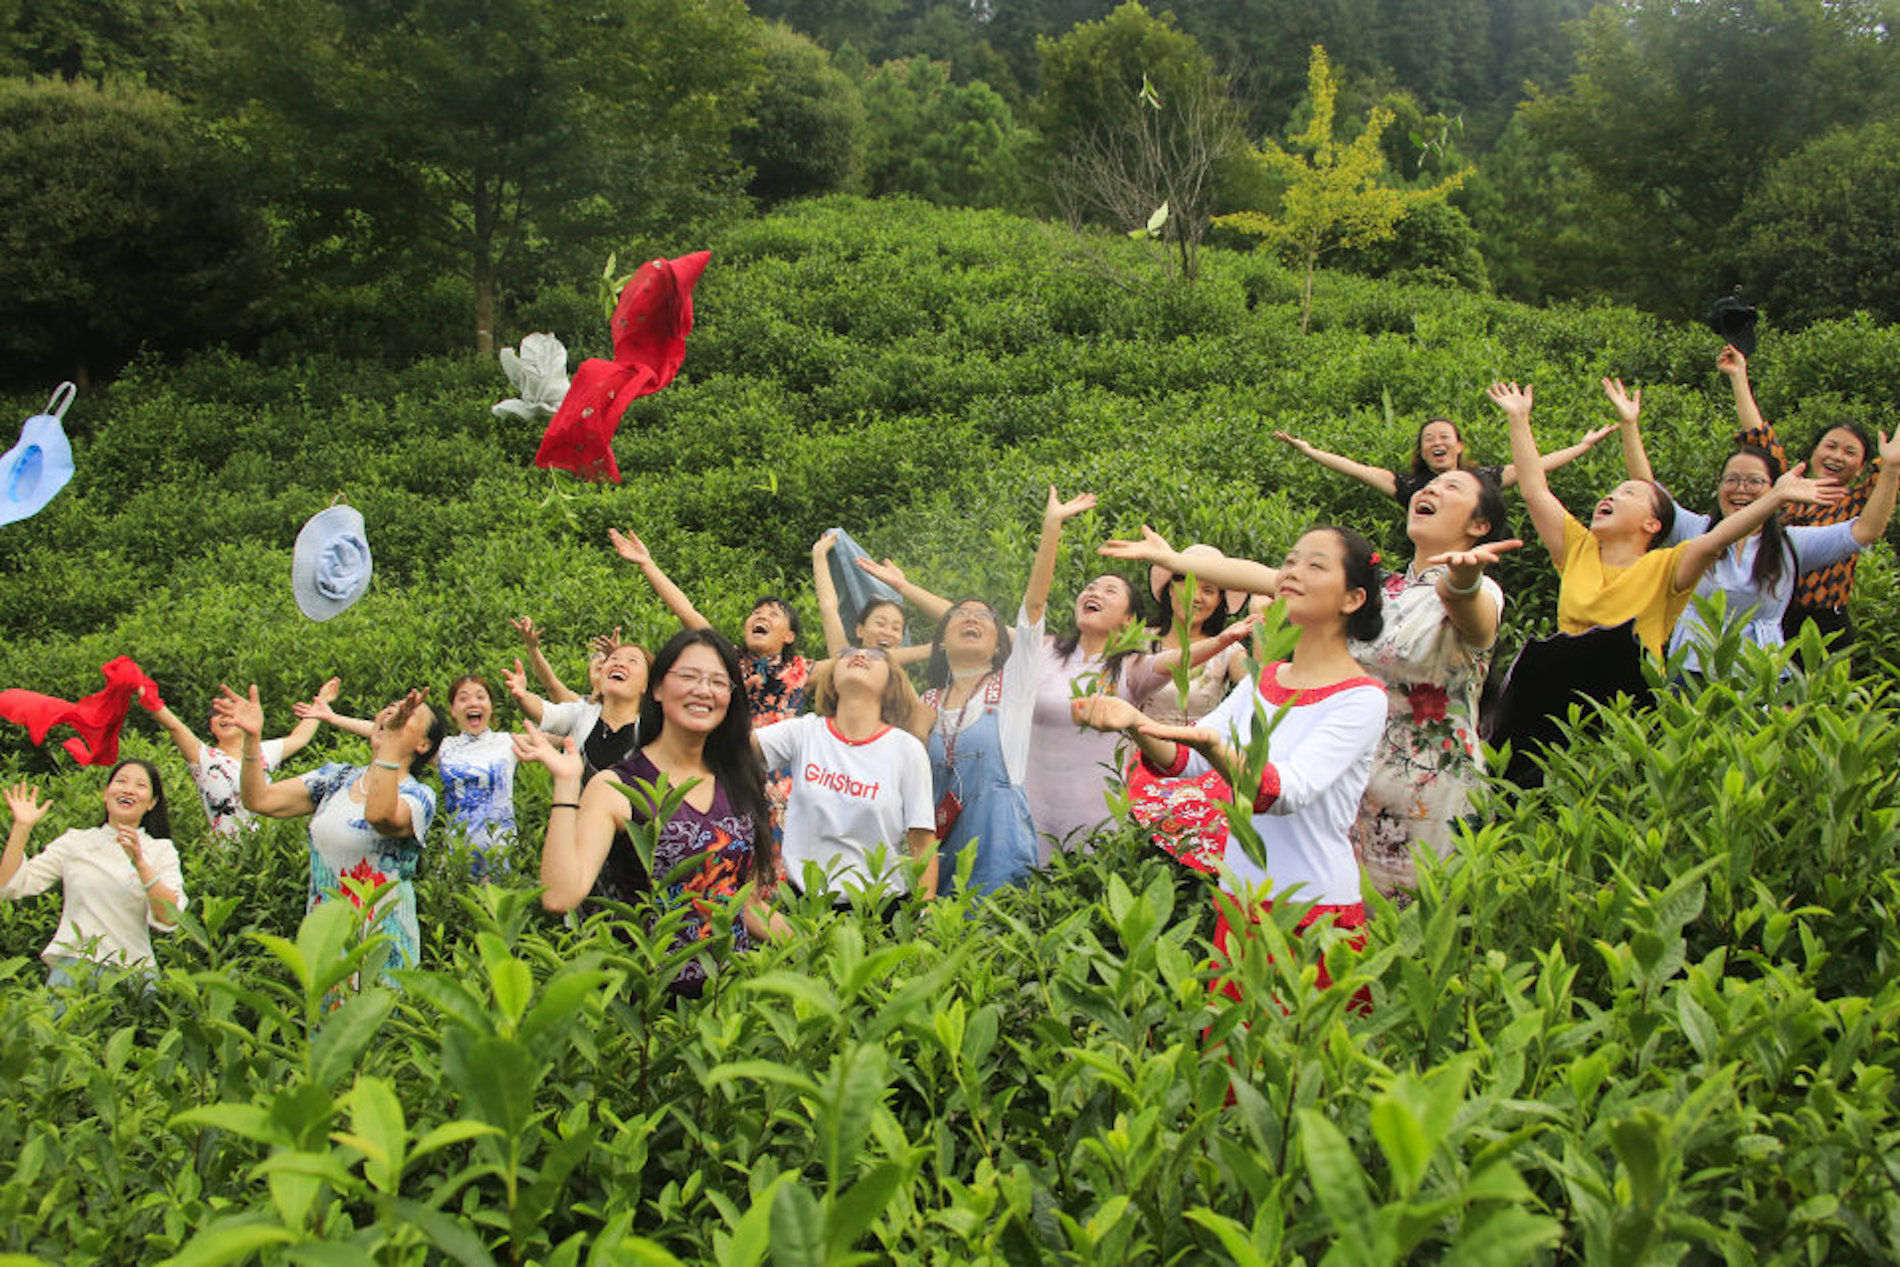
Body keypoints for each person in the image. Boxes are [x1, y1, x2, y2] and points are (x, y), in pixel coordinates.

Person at [1079, 526, 1388, 1004]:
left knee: (1304, 1069)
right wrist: (1135, 723)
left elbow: (1284, 791)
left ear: (1352, 599)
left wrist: (1211, 745)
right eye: (1289, 561)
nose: (1291, 573)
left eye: (1315, 564)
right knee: (1233, 1065)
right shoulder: (1265, 683)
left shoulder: (1361, 697)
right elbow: (1183, 763)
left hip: (1314, 913)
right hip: (1239, 902)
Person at [1487, 380, 1841, 782]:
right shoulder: (1577, 548)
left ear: (1652, 523)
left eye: (1629, 492)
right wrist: (1518, 419)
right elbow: (1534, 489)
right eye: (1612, 491)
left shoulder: (1668, 566)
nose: (1613, 496)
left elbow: (1718, 537)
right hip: (1552, 688)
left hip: (1623, 697)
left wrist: (1773, 500)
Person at [857, 488, 1153, 858]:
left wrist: (1051, 527)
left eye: (1110, 590)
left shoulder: (1020, 679)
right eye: (1091, 587)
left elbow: (1031, 606)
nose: (973, 622)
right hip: (972, 834)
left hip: (1065, 821)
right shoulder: (1039, 654)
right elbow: (960, 617)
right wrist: (904, 587)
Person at [519, 628, 785, 999]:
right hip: (649, 1015)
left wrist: (815, 950)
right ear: (657, 689)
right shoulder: (616, 786)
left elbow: (749, 905)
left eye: (718, 681)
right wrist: (567, 784)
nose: (703, 690)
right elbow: (561, 896)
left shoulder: (739, 782)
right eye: (688, 677)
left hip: (729, 1006)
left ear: (730, 696)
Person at [1613, 371, 1900, 673]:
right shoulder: (1695, 530)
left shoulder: (1790, 543)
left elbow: (1866, 530)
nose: (1741, 489)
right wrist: (1630, 426)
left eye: (1754, 482)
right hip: (1690, 671)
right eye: (1732, 480)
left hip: (1758, 679)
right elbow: (1648, 491)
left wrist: (1891, 468)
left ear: (1773, 489)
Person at [1346, 472, 1516, 899]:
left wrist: (1462, 581)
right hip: (1359, 779)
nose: (1431, 489)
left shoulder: (1484, 590)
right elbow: (1273, 579)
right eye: (1430, 485)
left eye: (1453, 487)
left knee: (1425, 924)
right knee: (1354, 926)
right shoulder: (1379, 590)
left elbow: (1473, 615)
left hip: (1433, 789)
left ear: (1479, 527)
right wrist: (1177, 561)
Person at [221, 685, 443, 985]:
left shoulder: (419, 796)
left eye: (407, 714)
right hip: (326, 944)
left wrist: (389, 745)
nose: (393, 712)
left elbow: (379, 815)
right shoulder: (336, 777)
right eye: (390, 707)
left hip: (382, 947)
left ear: (423, 744)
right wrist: (252, 740)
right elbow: (259, 800)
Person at [609, 528, 811, 835]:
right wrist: (647, 565)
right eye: (757, 612)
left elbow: (864, 658)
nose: (761, 616)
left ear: (790, 636)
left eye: (773, 614)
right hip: (723, 769)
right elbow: (686, 611)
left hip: (781, 787)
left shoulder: (803, 670)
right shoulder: (727, 661)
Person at [1089, 538, 1261, 874]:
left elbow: (1259, 693)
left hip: (1201, 771)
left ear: (1220, 601)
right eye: (1187, 582)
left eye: (1210, 590)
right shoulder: (1138, 640)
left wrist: (1264, 632)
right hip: (1137, 761)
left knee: (1194, 869)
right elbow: (1103, 689)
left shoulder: (1229, 651)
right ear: (1169, 589)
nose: (1196, 596)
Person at [1719, 344, 1887, 648]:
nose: (1838, 456)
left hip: (1823, 624)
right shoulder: (1784, 488)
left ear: (1862, 467)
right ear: (1814, 451)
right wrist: (1738, 375)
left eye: (1851, 452)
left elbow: (1891, 465)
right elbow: (1759, 439)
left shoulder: (1856, 503)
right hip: (1770, 616)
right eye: (1831, 446)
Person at [753, 646, 937, 905]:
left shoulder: (906, 750)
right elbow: (734, 750)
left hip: (878, 912)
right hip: (803, 907)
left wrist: (924, 915)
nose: (859, 656)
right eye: (848, 652)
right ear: (831, 678)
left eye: (876, 655)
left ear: (891, 683)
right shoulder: (804, 733)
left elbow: (922, 843)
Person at [0, 763, 186, 989]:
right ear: (105, 794)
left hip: (134, 974)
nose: (128, 789)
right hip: (75, 971)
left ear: (151, 803)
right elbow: (9, 886)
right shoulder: (76, 842)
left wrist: (140, 864)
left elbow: (170, 916)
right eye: (121, 781)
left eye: (140, 785)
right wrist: (21, 827)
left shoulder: (161, 850)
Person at [147, 677, 341, 841]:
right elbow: (174, 726)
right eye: (217, 713)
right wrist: (142, 690)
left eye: (231, 711)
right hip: (227, 859)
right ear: (210, 726)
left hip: (264, 853)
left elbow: (299, 738)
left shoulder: (261, 752)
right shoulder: (205, 757)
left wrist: (322, 700)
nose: (224, 716)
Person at [1274, 416, 1612, 505]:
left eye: (1444, 438)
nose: (1437, 443)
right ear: (1421, 452)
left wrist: (1582, 446)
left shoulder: (1483, 479)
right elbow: (1356, 469)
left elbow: (1534, 467)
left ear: (1459, 446)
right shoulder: (1408, 485)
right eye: (1429, 440)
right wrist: (1309, 450)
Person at [505, 642, 649, 778]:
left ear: (648, 684)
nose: (619, 663)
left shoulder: (653, 729)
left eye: (632, 661)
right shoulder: (581, 713)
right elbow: (543, 711)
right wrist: (522, 695)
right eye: (613, 658)